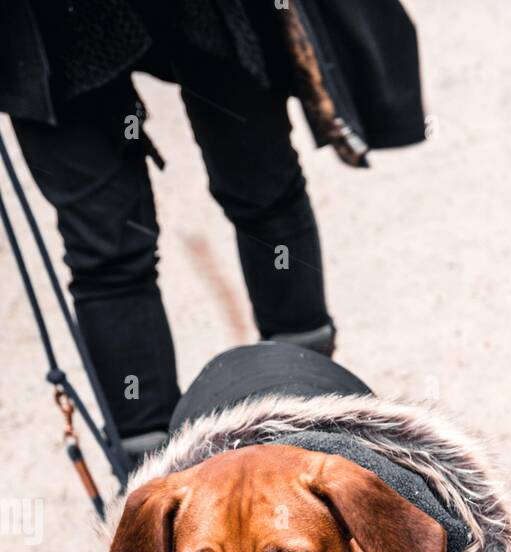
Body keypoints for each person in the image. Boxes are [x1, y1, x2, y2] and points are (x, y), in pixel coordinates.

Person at [0, 0, 425, 473]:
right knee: (112, 251)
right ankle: (154, 483)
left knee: (259, 195)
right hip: (51, 24)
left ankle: (307, 419)